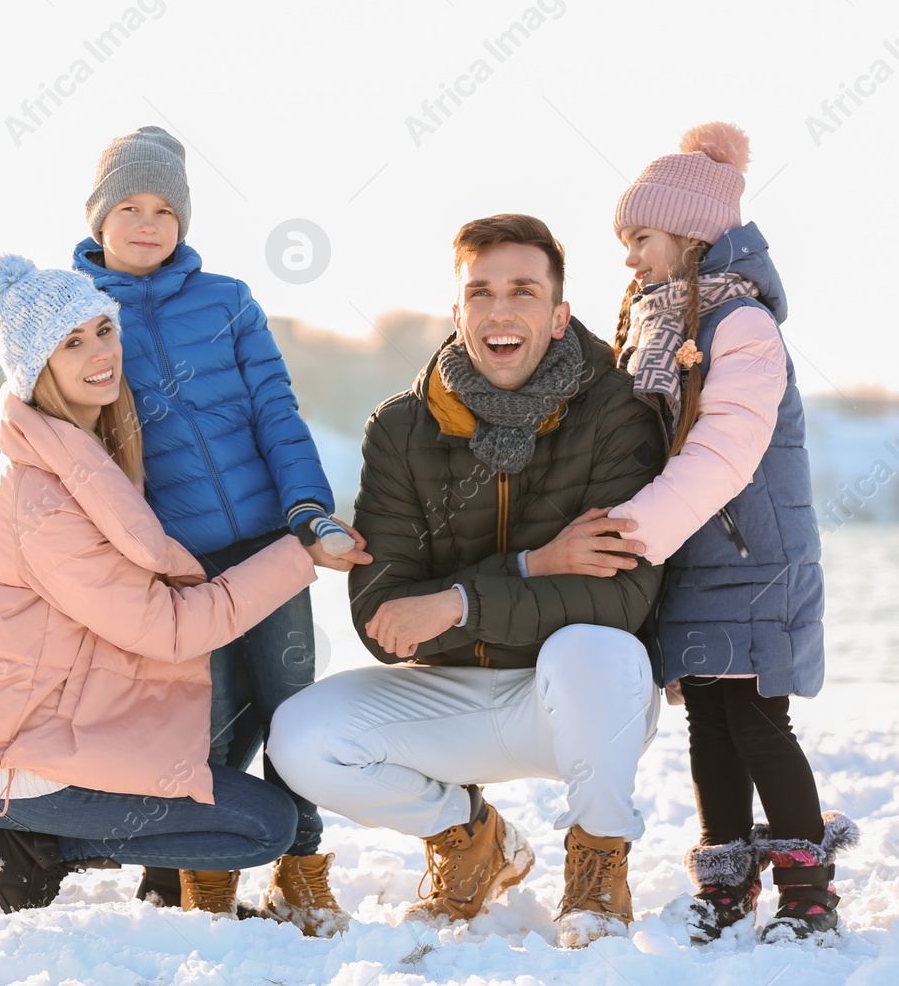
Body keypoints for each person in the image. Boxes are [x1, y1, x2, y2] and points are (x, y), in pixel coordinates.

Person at [0, 127, 363, 934]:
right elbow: (13, 426)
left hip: (264, 541)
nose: (148, 223)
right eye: (130, 206)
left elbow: (278, 411)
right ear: (98, 217)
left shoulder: (228, 301)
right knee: (193, 718)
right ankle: (189, 873)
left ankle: (304, 868)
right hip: (171, 559)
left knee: (286, 705)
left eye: (166, 208)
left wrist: (307, 512)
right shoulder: (74, 309)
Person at [268, 213, 669, 948]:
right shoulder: (400, 427)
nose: (500, 309)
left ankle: (597, 869)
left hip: (579, 702)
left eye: (523, 289)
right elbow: (385, 620)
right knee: (300, 736)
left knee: (598, 648)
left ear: (558, 316)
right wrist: (533, 566)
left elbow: (621, 597)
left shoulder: (619, 411)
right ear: (457, 313)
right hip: (447, 696)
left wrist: (454, 599)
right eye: (480, 292)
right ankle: (473, 839)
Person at [590, 122, 855, 942]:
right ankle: (728, 873)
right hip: (692, 560)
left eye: (641, 237)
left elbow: (724, 451)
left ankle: (809, 885)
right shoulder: (655, 326)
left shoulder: (741, 326)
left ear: (691, 234)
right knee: (708, 715)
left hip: (754, 558)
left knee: (757, 720)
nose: (629, 257)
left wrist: (634, 533)